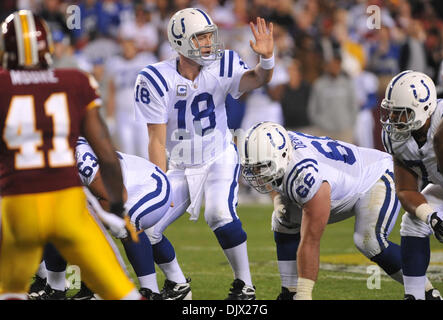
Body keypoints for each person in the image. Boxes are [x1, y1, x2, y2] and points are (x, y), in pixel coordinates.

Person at [134, 8, 274, 299]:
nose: (209, 43)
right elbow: (156, 141)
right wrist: (158, 185)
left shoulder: (222, 65)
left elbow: (258, 79)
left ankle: (245, 285)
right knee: (146, 227)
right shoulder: (156, 79)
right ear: (180, 43)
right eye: (200, 38)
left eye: (210, 36)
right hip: (181, 165)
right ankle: (177, 283)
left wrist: (267, 59)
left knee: (218, 213)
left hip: (218, 155)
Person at [0, 10, 141, 300]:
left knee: (10, 293)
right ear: (48, 47)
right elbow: (105, 153)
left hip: (18, 207)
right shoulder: (75, 81)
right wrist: (115, 205)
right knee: (122, 293)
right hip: (67, 204)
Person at [237, 121, 440, 300]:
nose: (256, 174)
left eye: (260, 167)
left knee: (369, 241)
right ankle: (288, 292)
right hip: (339, 181)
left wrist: (305, 292)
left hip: (375, 176)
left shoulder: (305, 174)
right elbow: (275, 182)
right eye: (252, 168)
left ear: (281, 155)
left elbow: (311, 240)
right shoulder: (279, 148)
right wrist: (279, 202)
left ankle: (427, 293)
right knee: (283, 218)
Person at [30, 137, 191, 300]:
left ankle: (150, 291)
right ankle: (56, 290)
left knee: (125, 223)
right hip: (110, 191)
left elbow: (118, 198)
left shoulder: (81, 160)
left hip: (147, 185)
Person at [380, 70, 443, 300]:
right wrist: (431, 215)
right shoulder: (396, 138)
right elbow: (406, 189)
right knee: (414, 220)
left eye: (401, 113)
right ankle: (416, 295)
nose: (394, 119)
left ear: (424, 107)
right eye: (392, 112)